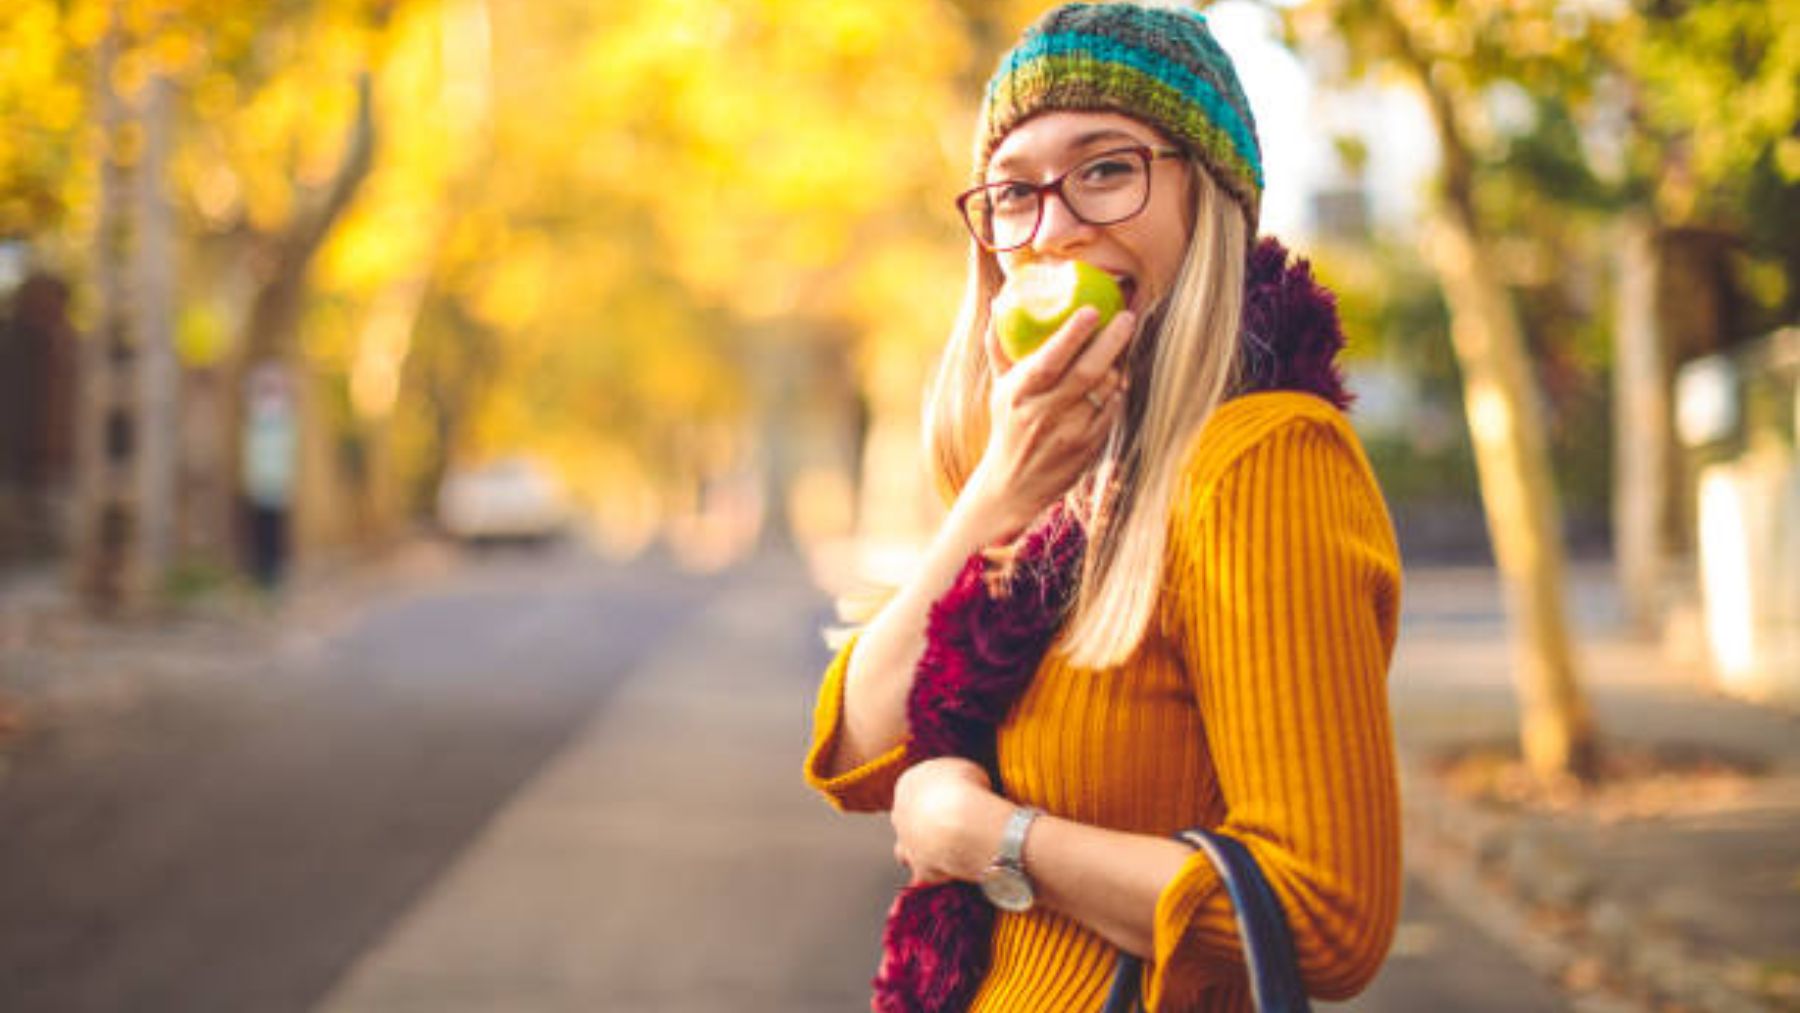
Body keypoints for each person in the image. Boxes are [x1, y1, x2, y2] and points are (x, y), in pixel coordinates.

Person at [804, 4, 1403, 1011]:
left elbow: (1323, 918)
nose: (1054, 227)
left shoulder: (1260, 462)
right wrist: (1000, 489)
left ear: (1208, 196)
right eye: (1014, 190)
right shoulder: (1065, 478)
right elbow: (858, 748)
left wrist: (996, 840)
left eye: (1106, 169)